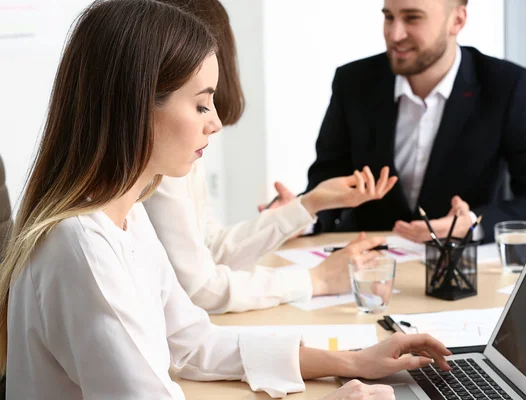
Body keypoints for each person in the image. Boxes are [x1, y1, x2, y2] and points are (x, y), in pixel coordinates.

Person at [0, 1, 451, 398]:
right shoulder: (81, 246)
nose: (215, 123)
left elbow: (193, 342)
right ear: (136, 106)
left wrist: (352, 361)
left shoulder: (127, 215)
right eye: (200, 105)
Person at [144, 0, 397, 314]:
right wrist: (317, 280)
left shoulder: (179, 145)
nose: (215, 123)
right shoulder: (162, 158)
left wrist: (310, 203)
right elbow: (200, 287)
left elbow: (209, 250)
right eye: (200, 104)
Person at [304, 0, 526, 243]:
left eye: (412, 18)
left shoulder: (506, 86)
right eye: (388, 17)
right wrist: (300, 215)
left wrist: (471, 224)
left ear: (457, 21)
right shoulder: (353, 82)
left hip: (463, 268)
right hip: (373, 265)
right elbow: (327, 182)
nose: (394, 35)